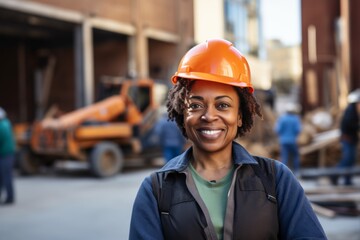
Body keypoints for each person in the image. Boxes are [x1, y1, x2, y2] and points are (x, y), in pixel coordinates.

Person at [129, 39, 326, 239]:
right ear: (182, 114)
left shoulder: (276, 180)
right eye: (195, 106)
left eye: (222, 105)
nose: (209, 116)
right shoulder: (156, 190)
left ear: (240, 116)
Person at [331, 89, 360, 186]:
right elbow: (350, 124)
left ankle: (348, 180)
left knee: (351, 160)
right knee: (347, 159)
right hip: (347, 139)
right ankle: (334, 175)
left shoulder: (354, 111)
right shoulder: (351, 111)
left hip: (351, 139)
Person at [274, 103, 302, 175]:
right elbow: (298, 130)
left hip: (283, 141)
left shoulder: (282, 118)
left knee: (284, 157)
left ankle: (284, 174)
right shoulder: (296, 119)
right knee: (295, 156)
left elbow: (277, 129)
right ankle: (297, 172)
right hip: (293, 141)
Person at [0, 107, 16, 205]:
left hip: (4, 155)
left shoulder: (2, 126)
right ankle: (9, 196)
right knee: (4, 177)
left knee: (6, 177)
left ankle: (10, 198)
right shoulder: (7, 123)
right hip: (8, 154)